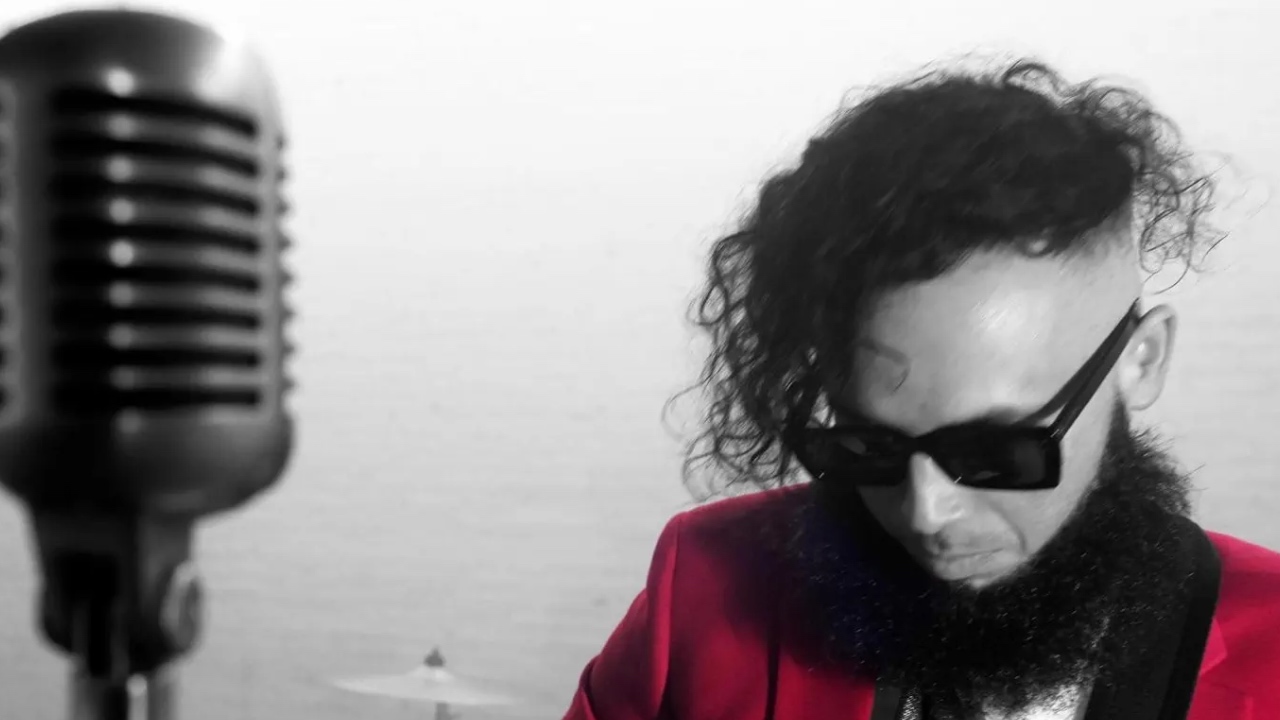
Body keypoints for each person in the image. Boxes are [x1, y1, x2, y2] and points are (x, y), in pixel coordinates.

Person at [562, 56, 1280, 720]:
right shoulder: (704, 591)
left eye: (993, 452)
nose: (925, 511)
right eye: (867, 447)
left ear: (1141, 360)